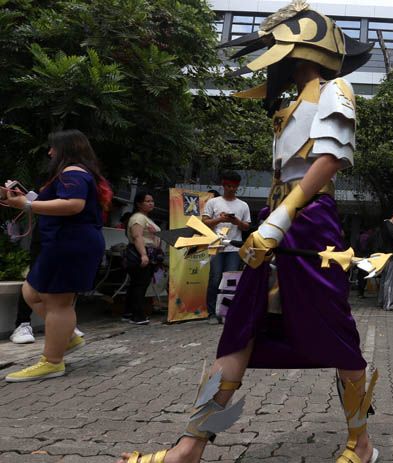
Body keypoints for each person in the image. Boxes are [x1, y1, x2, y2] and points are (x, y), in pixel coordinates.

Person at [117, 4, 379, 462]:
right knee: (240, 328)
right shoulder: (292, 102)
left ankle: (362, 443)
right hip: (277, 221)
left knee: (337, 332)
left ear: (303, 46)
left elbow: (330, 158)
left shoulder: (335, 89)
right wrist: (272, 220)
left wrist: (280, 221)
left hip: (311, 224)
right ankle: (188, 449)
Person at [3, 129, 110, 382]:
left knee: (57, 301)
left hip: (70, 243)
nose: (50, 152)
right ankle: (66, 336)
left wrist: (28, 205)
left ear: (66, 149)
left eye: (53, 147)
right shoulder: (79, 174)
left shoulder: (72, 173)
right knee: (31, 291)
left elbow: (73, 204)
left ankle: (52, 362)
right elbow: (58, 202)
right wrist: (26, 199)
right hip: (66, 243)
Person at [202, 170, 250, 324]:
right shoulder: (213, 202)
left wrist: (237, 222)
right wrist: (220, 219)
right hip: (216, 245)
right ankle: (211, 313)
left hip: (234, 248)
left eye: (234, 186)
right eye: (228, 185)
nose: (231, 188)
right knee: (215, 279)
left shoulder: (243, 205)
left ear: (237, 187)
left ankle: (226, 312)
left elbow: (247, 227)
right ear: (223, 185)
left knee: (230, 281)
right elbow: (204, 222)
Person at [123, 191, 162, 325]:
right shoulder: (138, 218)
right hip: (141, 253)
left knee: (137, 284)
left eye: (152, 201)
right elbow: (137, 236)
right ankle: (137, 315)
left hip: (148, 253)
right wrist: (143, 255)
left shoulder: (145, 218)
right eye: (147, 201)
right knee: (140, 284)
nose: (151, 203)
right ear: (139, 204)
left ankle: (129, 313)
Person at [376, 210, 393, 310]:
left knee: (385, 279)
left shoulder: (386, 225)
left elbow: (392, 237)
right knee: (390, 279)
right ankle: (388, 304)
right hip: (389, 255)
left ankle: (382, 301)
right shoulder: (388, 224)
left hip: (385, 255)